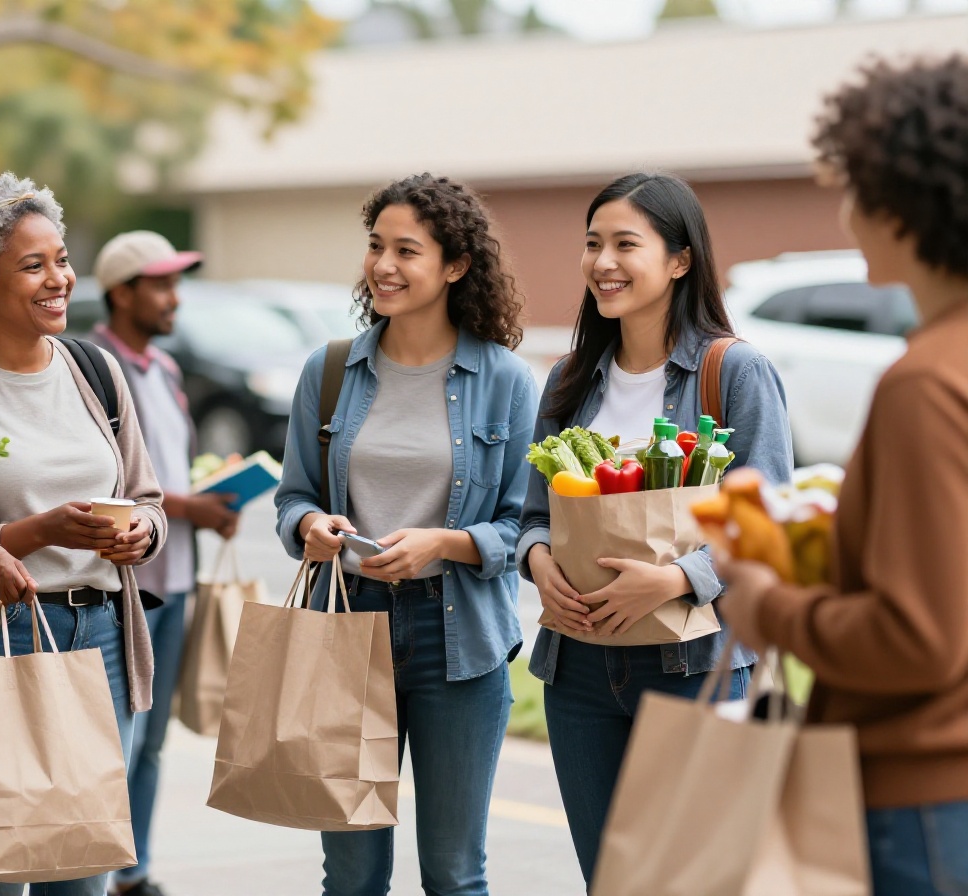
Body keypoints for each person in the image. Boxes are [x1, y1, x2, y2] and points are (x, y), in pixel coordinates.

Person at [718, 55, 968, 896]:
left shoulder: (927, 382)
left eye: (855, 184)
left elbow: (918, 640)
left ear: (903, 201)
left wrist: (762, 602)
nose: (846, 209)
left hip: (925, 799)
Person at [516, 172, 794, 882]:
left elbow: (764, 521)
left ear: (679, 260)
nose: (602, 262)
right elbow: (533, 516)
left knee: (690, 878)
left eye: (624, 244)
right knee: (609, 878)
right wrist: (539, 563)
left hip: (691, 667)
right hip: (576, 666)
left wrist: (675, 579)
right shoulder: (570, 378)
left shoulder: (733, 370)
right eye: (592, 244)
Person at [0, 172, 167, 896]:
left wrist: (141, 531)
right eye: (34, 265)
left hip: (102, 638)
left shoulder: (95, 371)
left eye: (63, 258)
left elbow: (146, 497)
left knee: (83, 874)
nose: (60, 279)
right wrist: (32, 533)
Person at [273, 174, 538, 895]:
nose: (383, 265)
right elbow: (293, 495)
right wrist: (311, 524)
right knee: (352, 875)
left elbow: (528, 527)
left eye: (406, 250)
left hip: (460, 643)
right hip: (347, 631)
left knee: (454, 873)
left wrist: (445, 544)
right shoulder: (330, 372)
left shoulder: (508, 382)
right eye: (375, 246)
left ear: (455, 265)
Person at [87, 231, 239, 896]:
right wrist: (191, 507)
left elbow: (167, 471)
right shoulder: (92, 366)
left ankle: (132, 871)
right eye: (160, 285)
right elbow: (113, 485)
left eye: (176, 284)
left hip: (176, 580)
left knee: (151, 744)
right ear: (123, 293)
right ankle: (98, 864)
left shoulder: (167, 370)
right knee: (116, 741)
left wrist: (214, 494)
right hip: (129, 586)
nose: (173, 298)